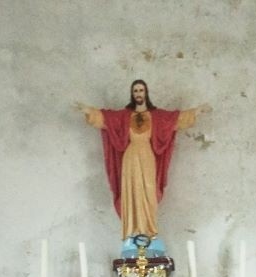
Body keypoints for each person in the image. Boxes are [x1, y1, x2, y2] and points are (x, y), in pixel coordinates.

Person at [76, 80, 209, 248]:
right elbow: (105, 119)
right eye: (135, 90)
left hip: (147, 157)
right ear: (132, 94)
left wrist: (196, 111)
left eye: (141, 90)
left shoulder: (156, 116)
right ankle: (132, 233)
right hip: (130, 158)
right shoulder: (124, 116)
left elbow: (176, 120)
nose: (138, 93)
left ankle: (149, 233)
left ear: (146, 92)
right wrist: (88, 110)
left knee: (148, 192)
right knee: (131, 192)